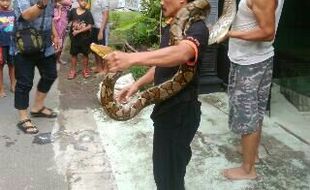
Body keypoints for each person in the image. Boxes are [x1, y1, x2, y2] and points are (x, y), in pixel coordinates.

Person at [105, 0, 208, 189]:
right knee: (166, 172)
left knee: (169, 178)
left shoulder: (198, 29)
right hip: (166, 111)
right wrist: (137, 84)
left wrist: (131, 58)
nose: (161, 2)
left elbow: (182, 53)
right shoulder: (173, 26)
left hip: (180, 114)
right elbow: (163, 62)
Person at [223, 0, 284, 180]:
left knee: (246, 114)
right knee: (254, 112)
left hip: (249, 63)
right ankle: (252, 154)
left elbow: (267, 32)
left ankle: (247, 170)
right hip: (255, 59)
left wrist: (230, 34)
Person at [13, 0, 61, 134]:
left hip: (45, 45)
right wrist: (42, 3)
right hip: (25, 43)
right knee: (24, 83)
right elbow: (27, 16)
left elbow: (49, 17)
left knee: (50, 74)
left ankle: (37, 107)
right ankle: (23, 117)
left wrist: (55, 34)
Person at [67, 0, 94, 79]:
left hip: (85, 38)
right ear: (78, 1)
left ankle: (85, 70)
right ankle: (73, 71)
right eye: (82, 0)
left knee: (85, 55)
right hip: (74, 39)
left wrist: (78, 31)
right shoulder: (73, 11)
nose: (84, 2)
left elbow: (89, 26)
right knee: (73, 54)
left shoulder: (88, 13)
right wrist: (71, 28)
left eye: (86, 1)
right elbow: (69, 21)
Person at [0, 0, 15, 98]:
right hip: (1, 45)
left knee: (12, 65)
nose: (5, 3)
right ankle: (1, 88)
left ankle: (13, 85)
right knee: (0, 67)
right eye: (2, 0)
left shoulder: (14, 13)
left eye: (8, 0)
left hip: (12, 44)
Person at [90, 0, 109, 74]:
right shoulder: (93, 1)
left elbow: (106, 15)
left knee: (103, 49)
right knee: (95, 48)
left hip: (101, 28)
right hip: (94, 27)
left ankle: (105, 69)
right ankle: (98, 66)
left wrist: (101, 31)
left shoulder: (104, 1)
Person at [53, 0, 72, 64]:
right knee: (54, 38)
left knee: (62, 39)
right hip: (55, 17)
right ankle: (52, 59)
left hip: (63, 18)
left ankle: (58, 58)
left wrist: (58, 2)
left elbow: (69, 3)